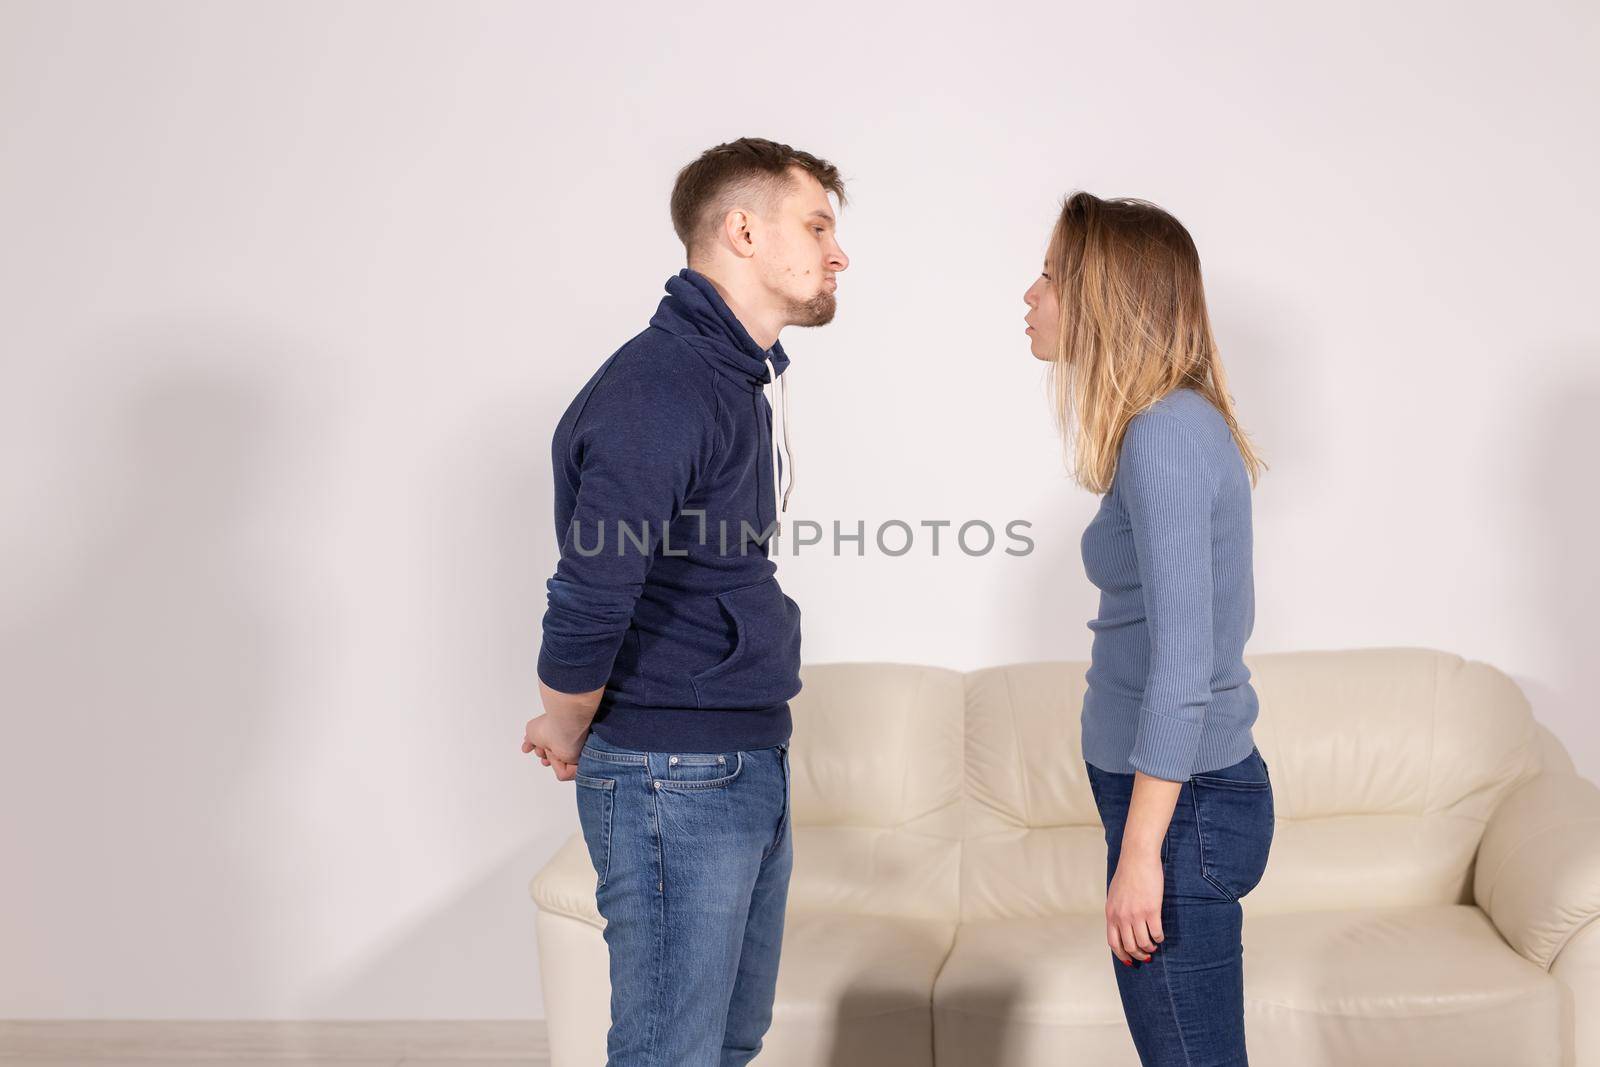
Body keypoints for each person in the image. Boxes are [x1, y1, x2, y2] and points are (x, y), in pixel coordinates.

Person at [521, 136, 849, 1066]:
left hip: (740, 757)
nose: (838, 253)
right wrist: (568, 719)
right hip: (675, 773)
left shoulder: (733, 379)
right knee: (674, 1052)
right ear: (743, 230)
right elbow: (590, 593)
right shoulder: (661, 388)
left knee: (727, 1042)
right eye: (817, 225)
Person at [1023, 191, 1273, 1065]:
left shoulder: (1163, 435)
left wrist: (1141, 852)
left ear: (1101, 299)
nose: (1031, 295)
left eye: (1051, 276)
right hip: (1183, 802)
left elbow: (1183, 667)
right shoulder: (1173, 425)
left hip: (1180, 808)